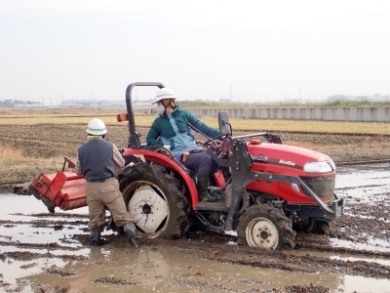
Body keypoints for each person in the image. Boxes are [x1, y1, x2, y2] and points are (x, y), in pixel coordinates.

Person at [146, 88, 220, 202]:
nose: (158, 106)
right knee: (205, 159)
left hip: (193, 150)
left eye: (159, 103)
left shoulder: (184, 115)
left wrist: (222, 135)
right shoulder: (158, 122)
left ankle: (203, 185)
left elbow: (202, 127)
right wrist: (161, 148)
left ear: (167, 102)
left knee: (216, 159)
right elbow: (149, 138)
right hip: (177, 154)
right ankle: (203, 195)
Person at [75, 118, 139, 248]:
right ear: (103, 133)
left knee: (95, 220)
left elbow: (78, 171)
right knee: (122, 216)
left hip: (92, 188)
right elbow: (121, 163)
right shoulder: (110, 146)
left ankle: (95, 244)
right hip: (109, 186)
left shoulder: (81, 150)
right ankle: (134, 242)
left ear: (89, 133)